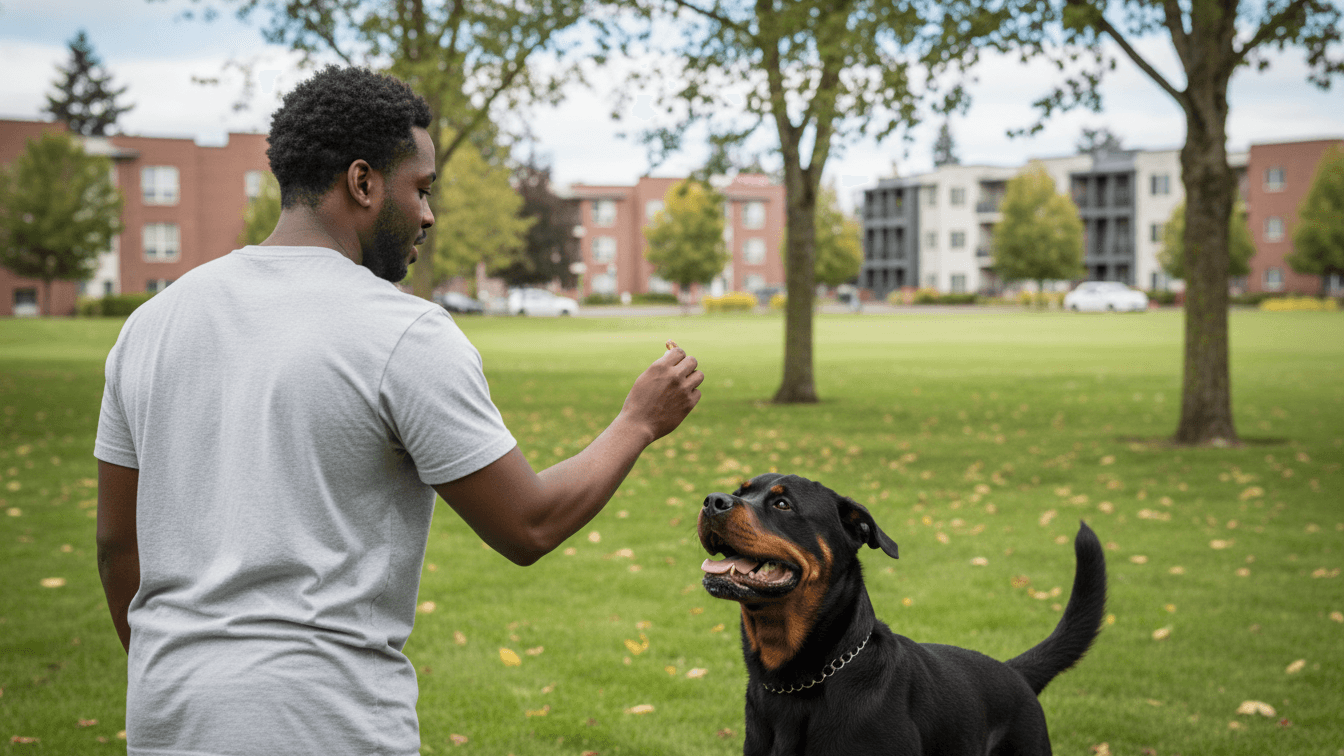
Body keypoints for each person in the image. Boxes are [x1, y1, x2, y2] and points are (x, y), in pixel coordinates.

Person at [94, 65, 703, 756]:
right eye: (421, 188)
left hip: (165, 713)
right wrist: (638, 422)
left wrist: (181, 673)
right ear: (363, 183)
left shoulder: (153, 323)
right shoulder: (404, 333)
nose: (428, 213)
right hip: (323, 722)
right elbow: (529, 524)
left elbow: (118, 549)